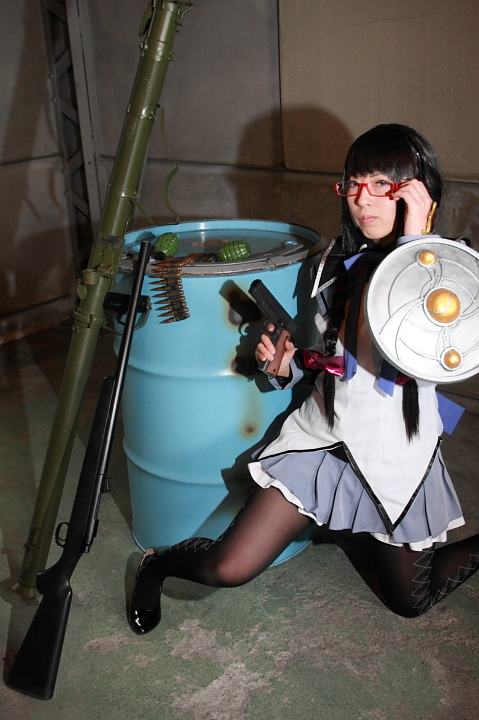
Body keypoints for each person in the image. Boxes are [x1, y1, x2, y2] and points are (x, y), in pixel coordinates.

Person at [128, 123, 479, 635]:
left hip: (396, 453)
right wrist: (287, 365)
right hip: (323, 442)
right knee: (227, 567)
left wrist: (417, 240)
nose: (362, 200)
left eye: (382, 184)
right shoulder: (335, 263)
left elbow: (415, 345)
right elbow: (331, 359)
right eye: (353, 184)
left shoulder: (450, 271)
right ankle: (156, 565)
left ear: (418, 190)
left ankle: (351, 526)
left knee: (411, 602)